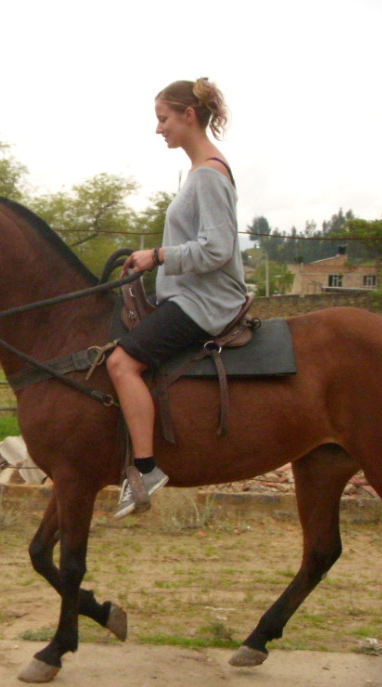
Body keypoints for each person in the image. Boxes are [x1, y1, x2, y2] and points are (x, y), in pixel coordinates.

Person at [107, 78, 247, 519]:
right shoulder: (201, 170)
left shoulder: (207, 174)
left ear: (189, 116)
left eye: (163, 119)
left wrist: (158, 255)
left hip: (205, 301)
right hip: (189, 294)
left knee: (121, 362)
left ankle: (146, 469)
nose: (158, 129)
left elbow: (217, 249)